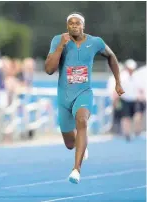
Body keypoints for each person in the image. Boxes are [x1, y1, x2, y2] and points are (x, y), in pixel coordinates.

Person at [44, 12, 124, 184]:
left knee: (82, 121)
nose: (74, 26)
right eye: (71, 23)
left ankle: (76, 170)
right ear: (67, 26)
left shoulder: (95, 42)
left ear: (83, 26)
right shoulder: (58, 40)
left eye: (77, 23)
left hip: (84, 93)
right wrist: (60, 47)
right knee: (69, 143)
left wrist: (118, 81)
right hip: (64, 95)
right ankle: (81, 147)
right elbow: (49, 70)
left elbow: (111, 56)